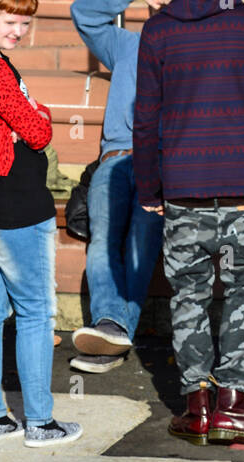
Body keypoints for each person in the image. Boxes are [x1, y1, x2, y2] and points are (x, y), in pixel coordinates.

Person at [133, 0, 244, 447]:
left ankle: (196, 408)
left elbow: (145, 121)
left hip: (183, 189)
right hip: (242, 189)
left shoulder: (158, 30)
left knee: (189, 294)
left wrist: (149, 188)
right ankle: (233, 403)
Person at [0, 0, 82, 446]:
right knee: (35, 313)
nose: (19, 31)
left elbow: (28, 117)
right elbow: (40, 129)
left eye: (25, 22)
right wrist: (31, 119)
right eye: (10, 21)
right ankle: (40, 423)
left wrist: (26, 119)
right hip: (14, 206)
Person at [68, 0, 166, 375]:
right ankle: (113, 325)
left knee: (141, 240)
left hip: (159, 162)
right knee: (104, 237)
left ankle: (111, 329)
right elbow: (84, 14)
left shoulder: (194, 53)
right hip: (115, 159)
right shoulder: (127, 45)